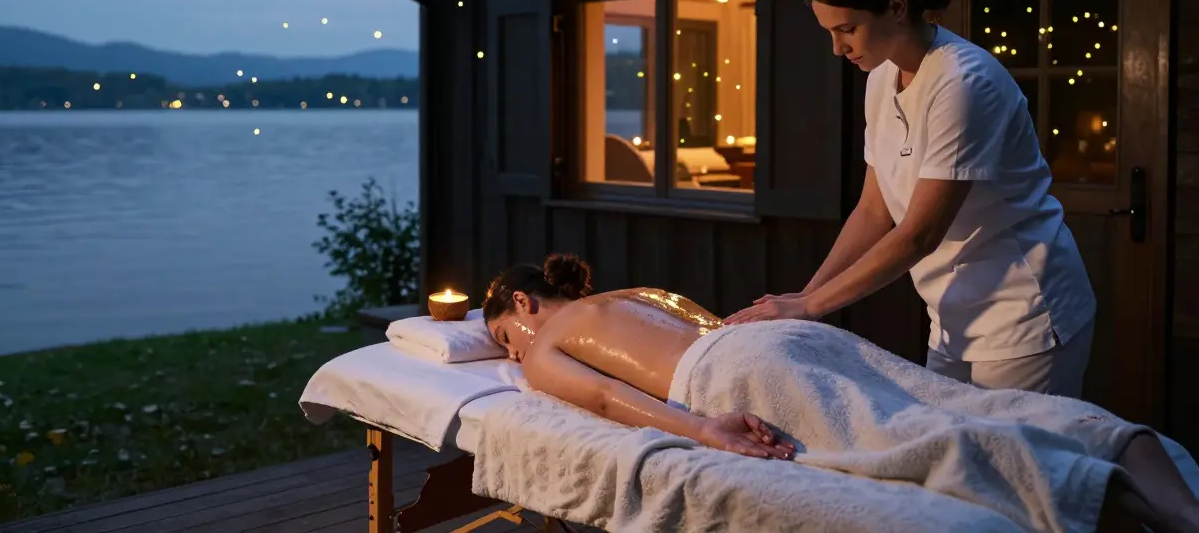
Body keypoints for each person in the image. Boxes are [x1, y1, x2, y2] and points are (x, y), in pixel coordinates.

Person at [483, 253, 1199, 532]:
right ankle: (1152, 481)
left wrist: (706, 431)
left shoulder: (548, 341)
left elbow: (609, 402)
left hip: (733, 371)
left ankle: (1105, 498)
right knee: (958, 402)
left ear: (523, 303)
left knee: (916, 438)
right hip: (787, 338)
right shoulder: (631, 294)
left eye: (505, 338)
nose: (514, 355)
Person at [724, 0, 1098, 400]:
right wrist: (804, 298)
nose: (838, 48)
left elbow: (919, 233)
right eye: (830, 33)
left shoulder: (963, 82)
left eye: (847, 29)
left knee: (1019, 468)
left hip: (1023, 316)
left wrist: (814, 306)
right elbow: (873, 212)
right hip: (951, 315)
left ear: (897, 8)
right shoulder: (880, 76)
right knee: (948, 455)